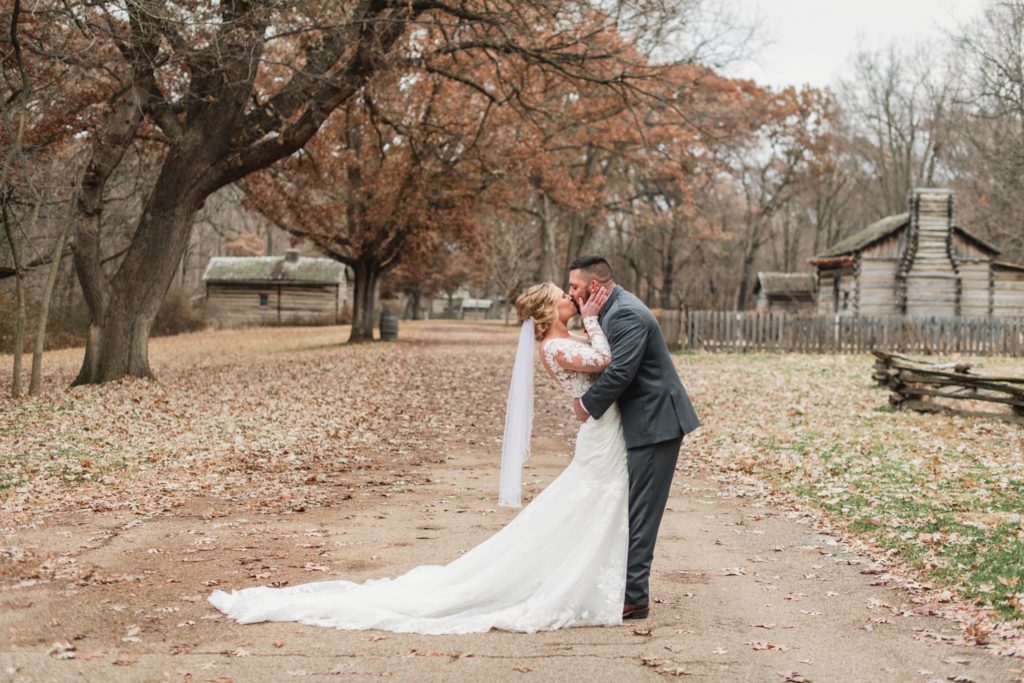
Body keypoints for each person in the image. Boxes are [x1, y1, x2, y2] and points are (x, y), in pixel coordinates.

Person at [209, 282, 633, 634]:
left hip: (600, 428)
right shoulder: (556, 346)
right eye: (562, 294)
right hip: (599, 433)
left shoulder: (559, 338)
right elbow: (606, 360)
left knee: (586, 502)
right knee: (587, 499)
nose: (569, 298)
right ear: (547, 308)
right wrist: (594, 318)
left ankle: (589, 576)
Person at [567, 256, 700, 620]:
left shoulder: (626, 313)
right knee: (627, 507)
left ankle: (635, 597)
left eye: (574, 288)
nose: (570, 294)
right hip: (640, 421)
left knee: (641, 512)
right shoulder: (610, 311)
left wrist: (586, 405)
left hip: (656, 423)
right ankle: (623, 587)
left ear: (595, 287)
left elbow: (621, 371)